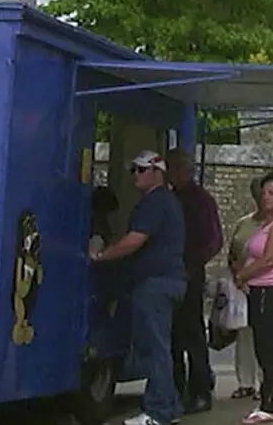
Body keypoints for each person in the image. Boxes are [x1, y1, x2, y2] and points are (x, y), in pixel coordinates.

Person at [87, 151, 187, 425]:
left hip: (156, 284)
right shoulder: (162, 201)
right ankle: (170, 405)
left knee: (155, 348)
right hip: (164, 282)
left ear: (157, 172)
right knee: (156, 346)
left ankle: (159, 411)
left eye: (140, 170)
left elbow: (135, 240)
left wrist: (101, 255)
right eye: (133, 170)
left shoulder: (156, 202)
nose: (134, 175)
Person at [233, 168, 273, 425]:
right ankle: (267, 399)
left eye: (272, 193)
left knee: (268, 348)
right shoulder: (266, 223)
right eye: (264, 193)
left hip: (270, 291)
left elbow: (270, 258)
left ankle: (270, 402)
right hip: (258, 290)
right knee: (262, 346)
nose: (266, 198)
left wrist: (243, 275)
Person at [166, 148, 222, 415]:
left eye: (177, 169)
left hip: (189, 273)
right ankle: (176, 388)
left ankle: (200, 389)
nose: (173, 174)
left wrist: (192, 266)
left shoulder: (201, 200)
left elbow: (213, 240)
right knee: (172, 337)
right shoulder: (170, 197)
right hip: (171, 271)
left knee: (192, 334)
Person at [224, 179, 265, 402]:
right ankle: (245, 383)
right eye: (258, 193)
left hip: (263, 284)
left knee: (263, 336)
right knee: (243, 335)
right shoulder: (244, 223)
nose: (262, 198)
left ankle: (264, 382)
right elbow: (232, 250)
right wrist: (237, 273)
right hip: (241, 283)